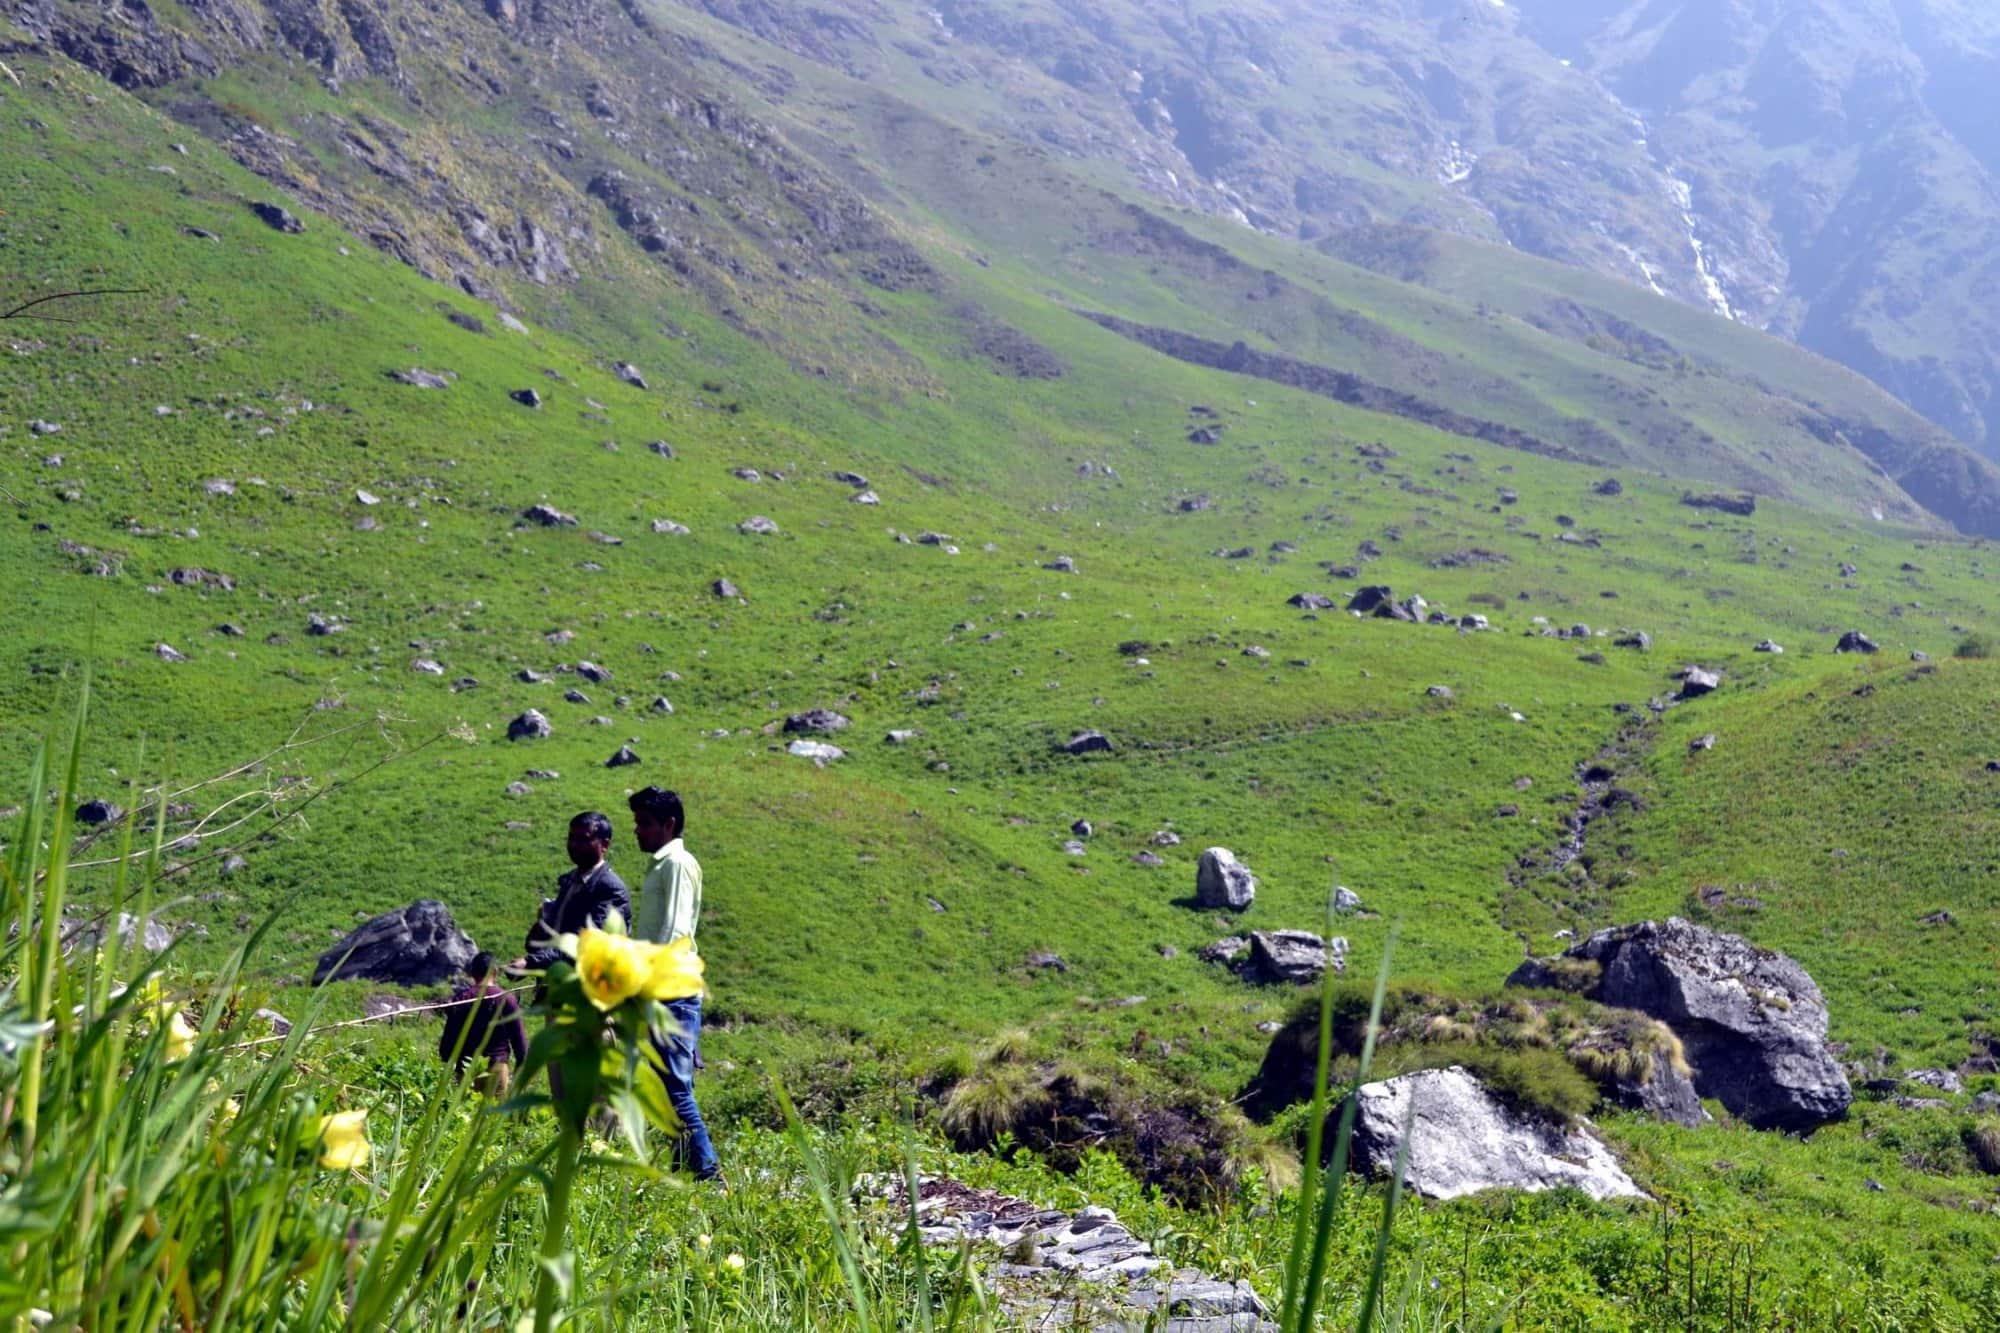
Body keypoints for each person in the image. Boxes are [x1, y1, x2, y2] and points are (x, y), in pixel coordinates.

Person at [629, 785, 719, 1181]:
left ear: (668, 825)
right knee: (666, 1087)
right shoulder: (663, 865)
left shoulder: (678, 864)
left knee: (675, 1087)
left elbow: (673, 930)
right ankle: (684, 1170)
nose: (638, 831)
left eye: (645, 824)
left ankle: (709, 1174)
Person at [514, 811, 631, 975]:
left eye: (584, 839)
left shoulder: (610, 889)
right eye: (572, 838)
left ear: (605, 845)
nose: (575, 845)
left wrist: (530, 962)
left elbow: (587, 945)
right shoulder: (570, 881)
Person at [438, 952, 528, 1097]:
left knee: (465, 1115)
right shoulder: (506, 999)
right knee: (493, 1116)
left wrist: (446, 1058)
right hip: (496, 1067)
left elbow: (450, 1035)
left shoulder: (462, 998)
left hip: (466, 1068)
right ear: (495, 972)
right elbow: (519, 1039)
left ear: (472, 973)